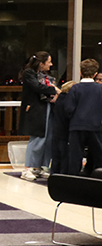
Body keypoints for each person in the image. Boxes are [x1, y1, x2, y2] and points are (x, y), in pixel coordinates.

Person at [18, 51, 59, 181]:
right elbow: (37, 87)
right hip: (36, 110)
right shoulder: (29, 73)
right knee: (37, 138)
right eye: (49, 62)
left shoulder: (45, 76)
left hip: (47, 108)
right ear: (41, 63)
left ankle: (41, 166)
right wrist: (54, 90)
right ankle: (28, 168)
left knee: (48, 138)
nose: (51, 65)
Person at [62, 59, 102, 176]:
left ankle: (73, 179)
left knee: (75, 155)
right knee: (98, 155)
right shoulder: (100, 89)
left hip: (77, 125)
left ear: (80, 72)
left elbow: (68, 108)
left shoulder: (75, 89)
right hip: (96, 126)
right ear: (95, 74)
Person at [49, 81, 75, 175]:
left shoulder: (59, 99)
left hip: (57, 130)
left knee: (56, 156)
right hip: (65, 131)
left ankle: (54, 174)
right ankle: (63, 174)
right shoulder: (68, 101)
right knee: (65, 155)